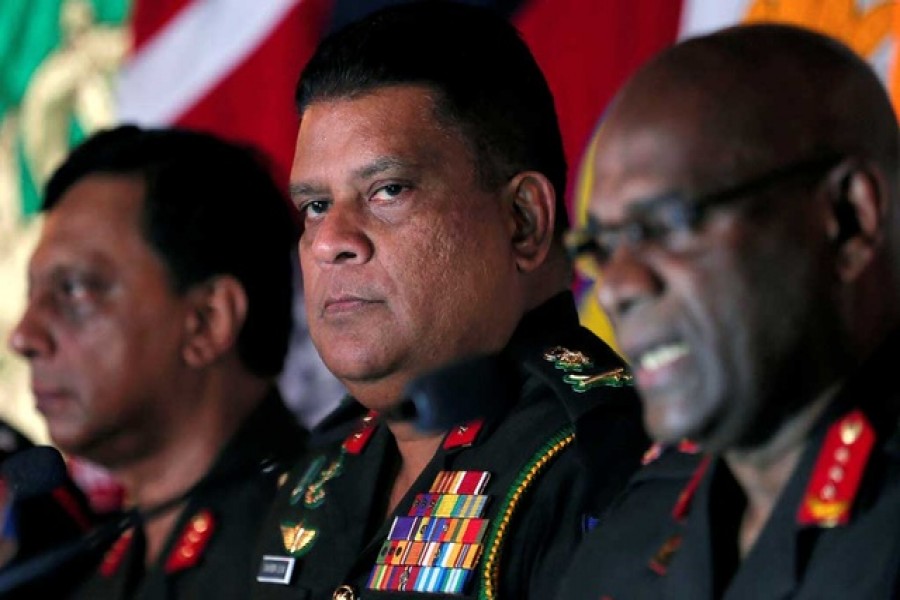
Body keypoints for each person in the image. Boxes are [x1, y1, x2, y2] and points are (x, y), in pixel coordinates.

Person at [250, 3, 647, 599]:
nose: (331, 241)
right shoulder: (315, 470)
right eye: (314, 205)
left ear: (523, 221)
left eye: (387, 191)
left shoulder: (602, 464)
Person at [558, 23, 900, 599]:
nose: (615, 288)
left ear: (847, 218)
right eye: (602, 247)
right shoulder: (631, 540)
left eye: (663, 226)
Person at [5, 125, 308, 598]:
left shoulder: (326, 542)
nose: (24, 336)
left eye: (76, 290)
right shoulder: (96, 568)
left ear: (207, 321)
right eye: (34, 293)